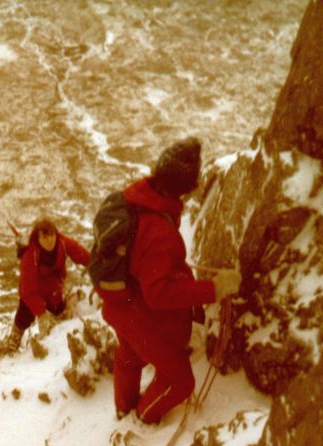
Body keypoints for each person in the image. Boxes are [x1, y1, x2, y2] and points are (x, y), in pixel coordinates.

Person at [95, 136, 241, 424]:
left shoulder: (138, 196)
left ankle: (123, 409)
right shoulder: (160, 232)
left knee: (130, 355)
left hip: (118, 302)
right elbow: (158, 295)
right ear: (183, 188)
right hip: (136, 311)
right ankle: (142, 417)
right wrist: (214, 289)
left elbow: (145, 262)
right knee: (180, 382)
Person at [4, 219, 90, 353]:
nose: (49, 240)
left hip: (54, 286)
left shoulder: (61, 242)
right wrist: (41, 312)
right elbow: (27, 290)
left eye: (52, 235)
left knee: (57, 312)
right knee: (25, 313)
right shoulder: (30, 255)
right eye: (44, 237)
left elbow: (77, 251)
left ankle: (69, 302)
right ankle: (15, 336)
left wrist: (92, 263)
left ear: (56, 234)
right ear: (37, 239)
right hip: (34, 289)